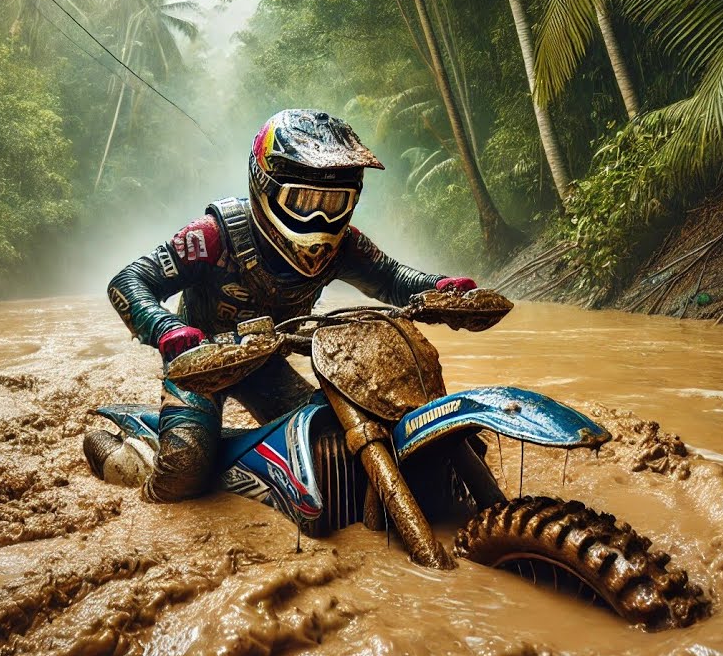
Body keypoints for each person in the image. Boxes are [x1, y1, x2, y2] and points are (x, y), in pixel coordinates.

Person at [83, 109, 477, 502]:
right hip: (199, 366)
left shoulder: (344, 246)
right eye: (303, 200)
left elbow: (390, 278)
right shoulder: (212, 235)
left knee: (331, 442)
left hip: (266, 363)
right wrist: (165, 328)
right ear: (265, 185)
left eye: (334, 202)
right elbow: (129, 280)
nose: (320, 216)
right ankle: (144, 470)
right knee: (183, 472)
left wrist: (439, 287)